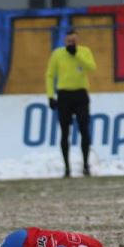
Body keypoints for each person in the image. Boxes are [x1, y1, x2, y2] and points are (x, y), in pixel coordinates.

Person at [45, 29, 97, 178]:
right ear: (64, 41)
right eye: (69, 41)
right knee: (64, 132)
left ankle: (86, 165)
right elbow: (50, 75)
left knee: (84, 130)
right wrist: (50, 96)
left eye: (73, 41)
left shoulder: (84, 51)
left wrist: (77, 54)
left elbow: (92, 67)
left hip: (80, 94)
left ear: (77, 41)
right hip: (64, 95)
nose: (71, 44)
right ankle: (67, 167)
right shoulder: (57, 54)